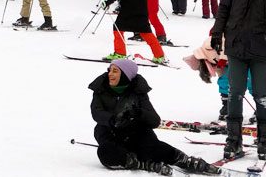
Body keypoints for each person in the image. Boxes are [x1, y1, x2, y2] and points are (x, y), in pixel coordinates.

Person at [89, 59, 219, 174]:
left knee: (153, 147)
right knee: (106, 152)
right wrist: (113, 120)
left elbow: (154, 121)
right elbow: (96, 112)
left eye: (115, 71)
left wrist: (139, 114)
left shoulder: (138, 92)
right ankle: (143, 164)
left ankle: (184, 160)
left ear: (125, 75)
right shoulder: (101, 90)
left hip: (135, 134)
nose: (110, 74)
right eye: (110, 70)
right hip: (111, 134)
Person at [211, 0, 266, 159]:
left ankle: (264, 140)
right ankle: (233, 140)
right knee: (235, 93)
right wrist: (217, 33)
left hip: (261, 49)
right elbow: (224, 7)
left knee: (262, 95)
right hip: (236, 46)